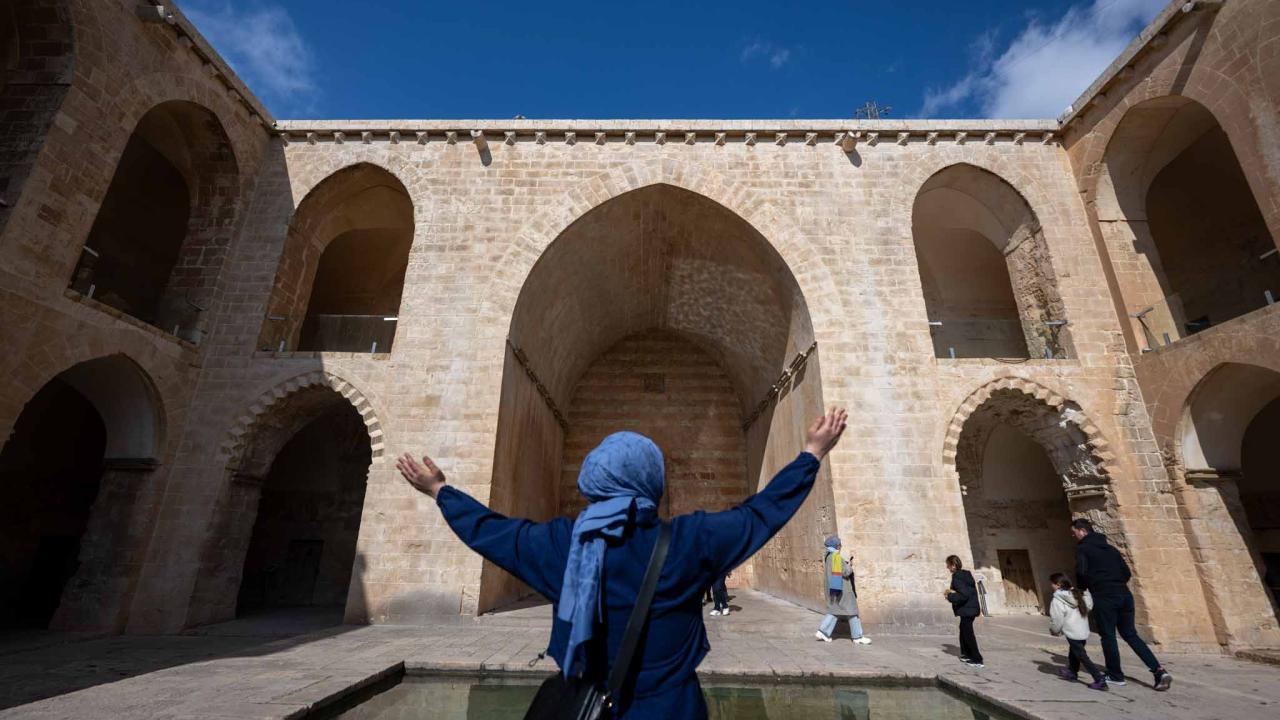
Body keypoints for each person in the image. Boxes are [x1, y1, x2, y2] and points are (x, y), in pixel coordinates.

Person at [397, 407, 848, 719]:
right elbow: (759, 515)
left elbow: (491, 532)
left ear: (593, 480)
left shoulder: (562, 545)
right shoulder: (690, 542)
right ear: (652, 482)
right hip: (672, 710)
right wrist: (811, 454)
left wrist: (440, 490)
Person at [1071, 518, 1172, 691]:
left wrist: (1085, 587)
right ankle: (1158, 671)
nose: (1074, 536)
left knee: (1108, 636)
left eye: (1074, 533)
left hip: (1104, 595)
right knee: (1130, 634)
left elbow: (1081, 573)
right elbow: (1126, 573)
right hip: (1124, 594)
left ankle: (1116, 675)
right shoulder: (1111, 549)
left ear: (1082, 531)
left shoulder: (1083, 548)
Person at [1049, 572, 1107, 691]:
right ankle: (1072, 672)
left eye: (1052, 584)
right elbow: (1089, 606)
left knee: (1082, 656)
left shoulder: (1058, 599)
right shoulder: (1079, 594)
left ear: (1058, 584)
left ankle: (1099, 679)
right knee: (1074, 651)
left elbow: (1057, 617)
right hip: (1082, 630)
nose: (1051, 586)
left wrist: (1055, 630)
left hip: (1071, 631)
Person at [815, 537, 870, 644]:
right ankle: (857, 637)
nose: (841, 546)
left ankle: (823, 632)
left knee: (835, 610)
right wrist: (850, 565)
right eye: (840, 544)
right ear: (837, 545)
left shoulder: (828, 556)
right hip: (843, 590)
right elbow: (845, 572)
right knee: (852, 612)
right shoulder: (835, 556)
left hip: (834, 589)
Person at [944, 555, 983, 668]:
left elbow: (963, 595)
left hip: (967, 609)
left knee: (968, 633)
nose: (947, 567)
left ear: (953, 565)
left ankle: (977, 659)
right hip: (970, 608)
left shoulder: (957, 577)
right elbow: (967, 592)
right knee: (963, 629)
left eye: (948, 565)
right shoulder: (966, 575)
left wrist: (949, 596)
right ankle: (966, 654)